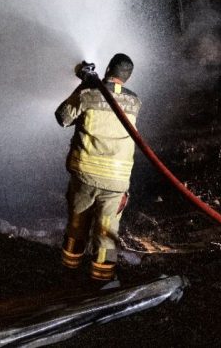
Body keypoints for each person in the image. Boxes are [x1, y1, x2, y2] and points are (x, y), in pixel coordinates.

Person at [55, 54, 141, 281]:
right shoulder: (135, 102)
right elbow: (113, 97)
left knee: (77, 225)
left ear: (108, 68)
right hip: (117, 182)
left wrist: (86, 82)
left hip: (86, 176)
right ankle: (101, 280)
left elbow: (62, 117)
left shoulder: (89, 94)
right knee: (107, 233)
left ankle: (68, 272)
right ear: (127, 76)